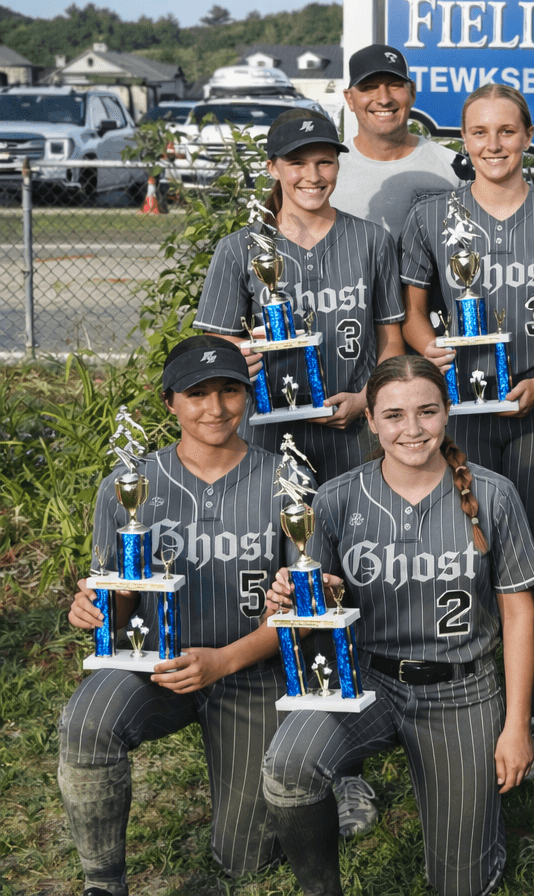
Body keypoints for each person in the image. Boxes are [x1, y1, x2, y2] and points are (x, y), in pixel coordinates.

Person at [260, 355, 534, 896]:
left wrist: (516, 724)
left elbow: (519, 612)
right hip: (367, 680)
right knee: (290, 767)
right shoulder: (336, 497)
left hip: (462, 686)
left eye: (426, 411)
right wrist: (290, 602)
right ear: (370, 420)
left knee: (462, 883)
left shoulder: (493, 494)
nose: (411, 430)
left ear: (447, 411)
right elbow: (307, 614)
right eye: (393, 415)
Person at [400, 82, 534, 782]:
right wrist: (432, 350)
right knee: (467, 544)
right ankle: (472, 693)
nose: (493, 144)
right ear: (464, 140)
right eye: (479, 133)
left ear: (528, 135)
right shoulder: (432, 218)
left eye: (506, 131)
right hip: (462, 413)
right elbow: (415, 315)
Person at [57, 336, 290, 896]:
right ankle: (103, 883)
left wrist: (224, 661)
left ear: (248, 393)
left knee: (247, 860)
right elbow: (122, 596)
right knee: (86, 725)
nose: (215, 408)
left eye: (230, 390)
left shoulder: (287, 481)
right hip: (154, 666)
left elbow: (303, 613)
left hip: (250, 670)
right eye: (197, 393)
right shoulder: (126, 484)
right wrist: (94, 606)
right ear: (170, 403)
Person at [195, 109, 407, 484]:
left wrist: (367, 398)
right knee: (276, 536)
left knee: (354, 534)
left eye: (324, 162)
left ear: (338, 166)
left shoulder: (373, 240)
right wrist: (241, 356)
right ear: (272, 167)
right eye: (296, 163)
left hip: (355, 426)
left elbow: (390, 336)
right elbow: (219, 345)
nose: (313, 176)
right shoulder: (238, 248)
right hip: (268, 430)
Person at [329, 44, 463, 238]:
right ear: (349, 99)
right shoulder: (327, 172)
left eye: (395, 86)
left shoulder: (453, 167)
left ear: (412, 93)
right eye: (369, 88)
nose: (384, 99)